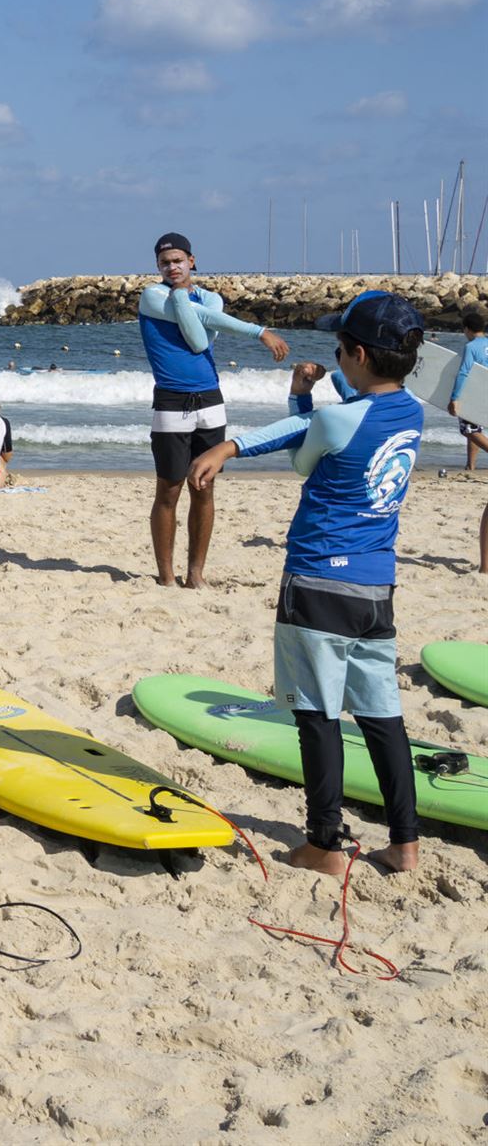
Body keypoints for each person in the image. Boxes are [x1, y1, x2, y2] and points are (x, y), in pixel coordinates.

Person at [187, 291, 426, 876]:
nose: (337, 354)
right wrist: (319, 391)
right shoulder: (414, 412)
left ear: (360, 354)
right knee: (381, 714)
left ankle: (324, 843)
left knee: (316, 716)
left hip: (319, 580)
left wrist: (231, 443)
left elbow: (304, 448)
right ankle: (405, 843)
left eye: (341, 347)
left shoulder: (335, 416)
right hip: (375, 587)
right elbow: (350, 415)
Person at [138, 232, 290, 587]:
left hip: (210, 400)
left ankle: (196, 574)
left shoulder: (211, 299)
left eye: (178, 260)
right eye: (165, 262)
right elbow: (196, 337)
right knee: (170, 488)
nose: (172, 267)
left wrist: (185, 302)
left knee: (204, 487)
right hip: (172, 401)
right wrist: (259, 332)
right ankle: (166, 577)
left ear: (192, 260)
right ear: (158, 267)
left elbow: (200, 337)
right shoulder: (153, 295)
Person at [449, 307, 487, 471]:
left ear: (467, 329)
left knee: (468, 430)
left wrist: (454, 398)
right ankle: (470, 465)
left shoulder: (471, 347)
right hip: (486, 392)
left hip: (473, 392)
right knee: (475, 427)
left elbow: (464, 372)